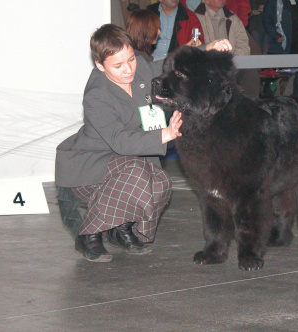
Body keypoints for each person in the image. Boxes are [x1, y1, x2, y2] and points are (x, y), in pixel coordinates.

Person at [56, 24, 232, 262]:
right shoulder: (96, 96)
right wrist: (165, 135)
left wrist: (208, 48)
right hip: (90, 170)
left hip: (126, 167)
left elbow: (172, 62)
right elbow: (120, 142)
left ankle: (123, 230)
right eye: (118, 66)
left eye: (131, 59)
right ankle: (88, 234)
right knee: (137, 172)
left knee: (160, 182)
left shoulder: (141, 69)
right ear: (100, 66)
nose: (128, 69)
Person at [194, 0, 261, 98]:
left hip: (230, 66)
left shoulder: (233, 18)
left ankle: (250, 109)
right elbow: (193, 48)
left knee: (250, 72)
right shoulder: (194, 18)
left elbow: (243, 47)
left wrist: (230, 63)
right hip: (206, 68)